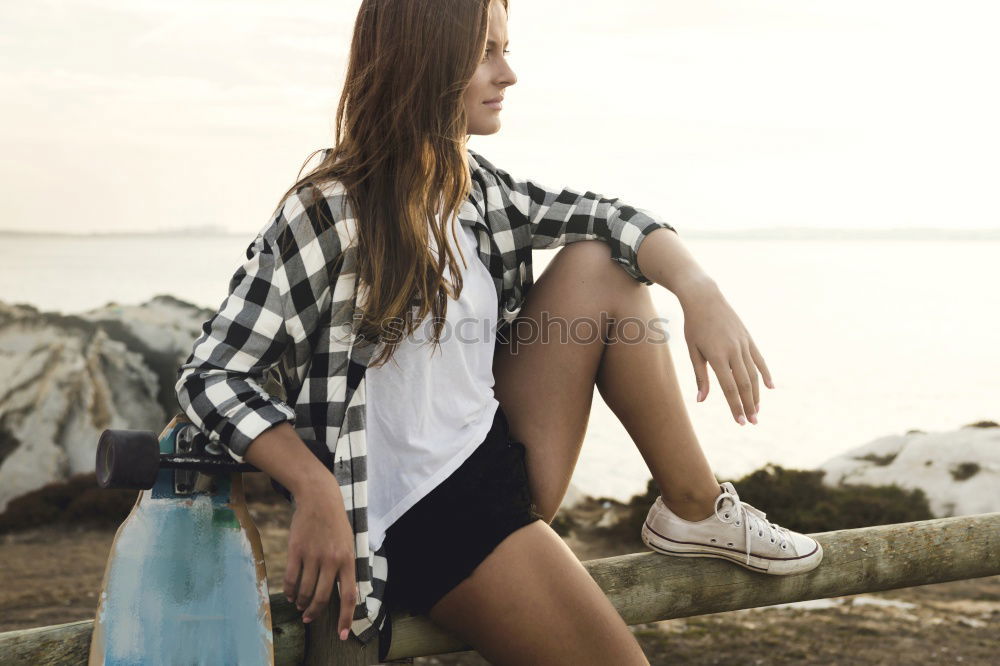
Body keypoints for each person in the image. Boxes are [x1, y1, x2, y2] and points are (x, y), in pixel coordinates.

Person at [174, 0, 822, 663]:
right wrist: (313, 488)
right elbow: (213, 373)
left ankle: (695, 509)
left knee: (601, 265)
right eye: (484, 52)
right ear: (421, 60)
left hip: (497, 458)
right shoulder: (331, 210)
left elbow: (612, 219)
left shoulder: (476, 191)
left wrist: (697, 290)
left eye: (506, 49)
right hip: (419, 516)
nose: (508, 74)